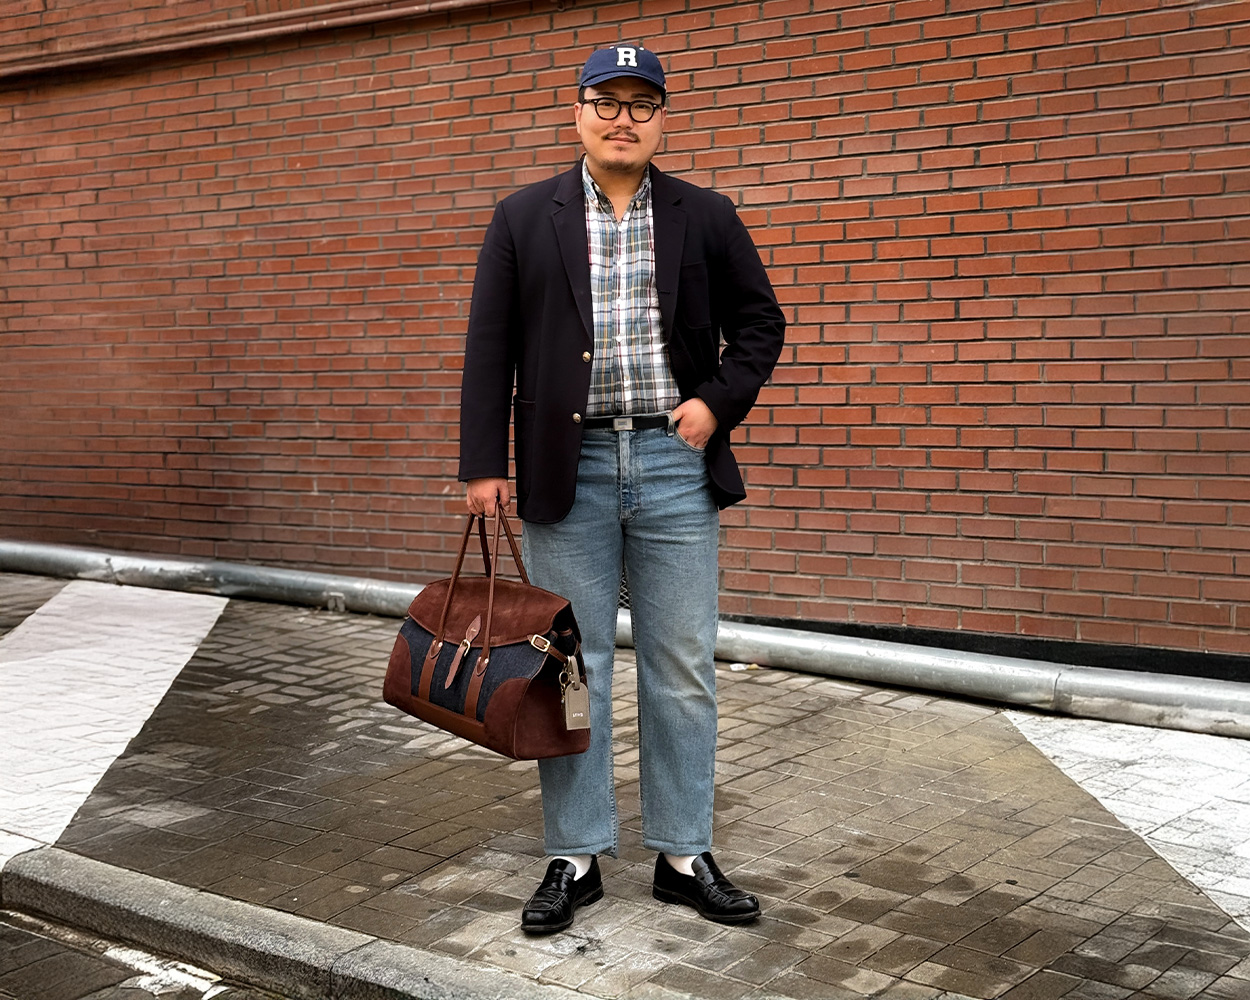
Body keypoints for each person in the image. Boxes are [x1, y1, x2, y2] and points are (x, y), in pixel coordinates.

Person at [458, 43, 785, 934]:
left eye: (642, 104)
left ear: (661, 120)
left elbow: (762, 323)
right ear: (578, 111)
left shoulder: (705, 214)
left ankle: (683, 854)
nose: (623, 119)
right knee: (573, 666)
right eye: (607, 101)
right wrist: (484, 464)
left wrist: (715, 403)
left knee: (681, 665)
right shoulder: (523, 217)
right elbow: (490, 345)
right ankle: (575, 855)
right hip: (569, 468)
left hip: (676, 463)